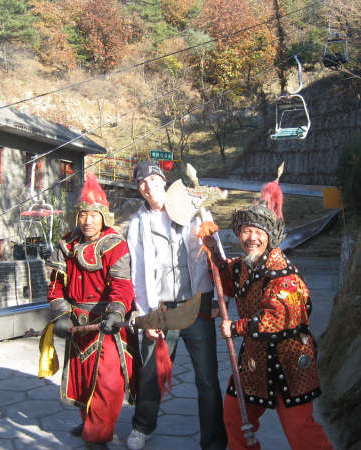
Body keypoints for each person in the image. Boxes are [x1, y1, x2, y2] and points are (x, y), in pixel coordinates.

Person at [209, 180, 333, 450]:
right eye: (245, 231)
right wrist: (209, 245)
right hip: (255, 359)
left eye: (257, 231)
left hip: (289, 359)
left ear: (269, 236)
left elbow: (277, 317)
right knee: (235, 417)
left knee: (300, 431)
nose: (251, 237)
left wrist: (236, 327)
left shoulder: (283, 272)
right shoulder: (244, 266)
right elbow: (227, 278)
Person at [125, 161, 227, 450]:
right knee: (150, 372)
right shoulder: (137, 223)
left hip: (198, 303)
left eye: (154, 179)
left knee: (207, 377)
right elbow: (137, 272)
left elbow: (215, 255)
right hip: (161, 309)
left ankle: (214, 440)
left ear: (164, 181)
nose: (148, 185)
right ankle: (142, 426)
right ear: (139, 189)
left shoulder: (192, 211)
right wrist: (145, 316)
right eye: (142, 182)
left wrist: (221, 299)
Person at [44, 173, 136, 445]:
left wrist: (116, 313)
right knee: (83, 378)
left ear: (103, 217)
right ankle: (88, 422)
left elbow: (122, 286)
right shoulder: (66, 244)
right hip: (77, 322)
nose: (88, 220)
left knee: (107, 381)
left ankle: (97, 434)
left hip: (108, 324)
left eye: (94, 215)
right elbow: (55, 287)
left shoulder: (115, 245)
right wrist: (61, 314)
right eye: (83, 214)